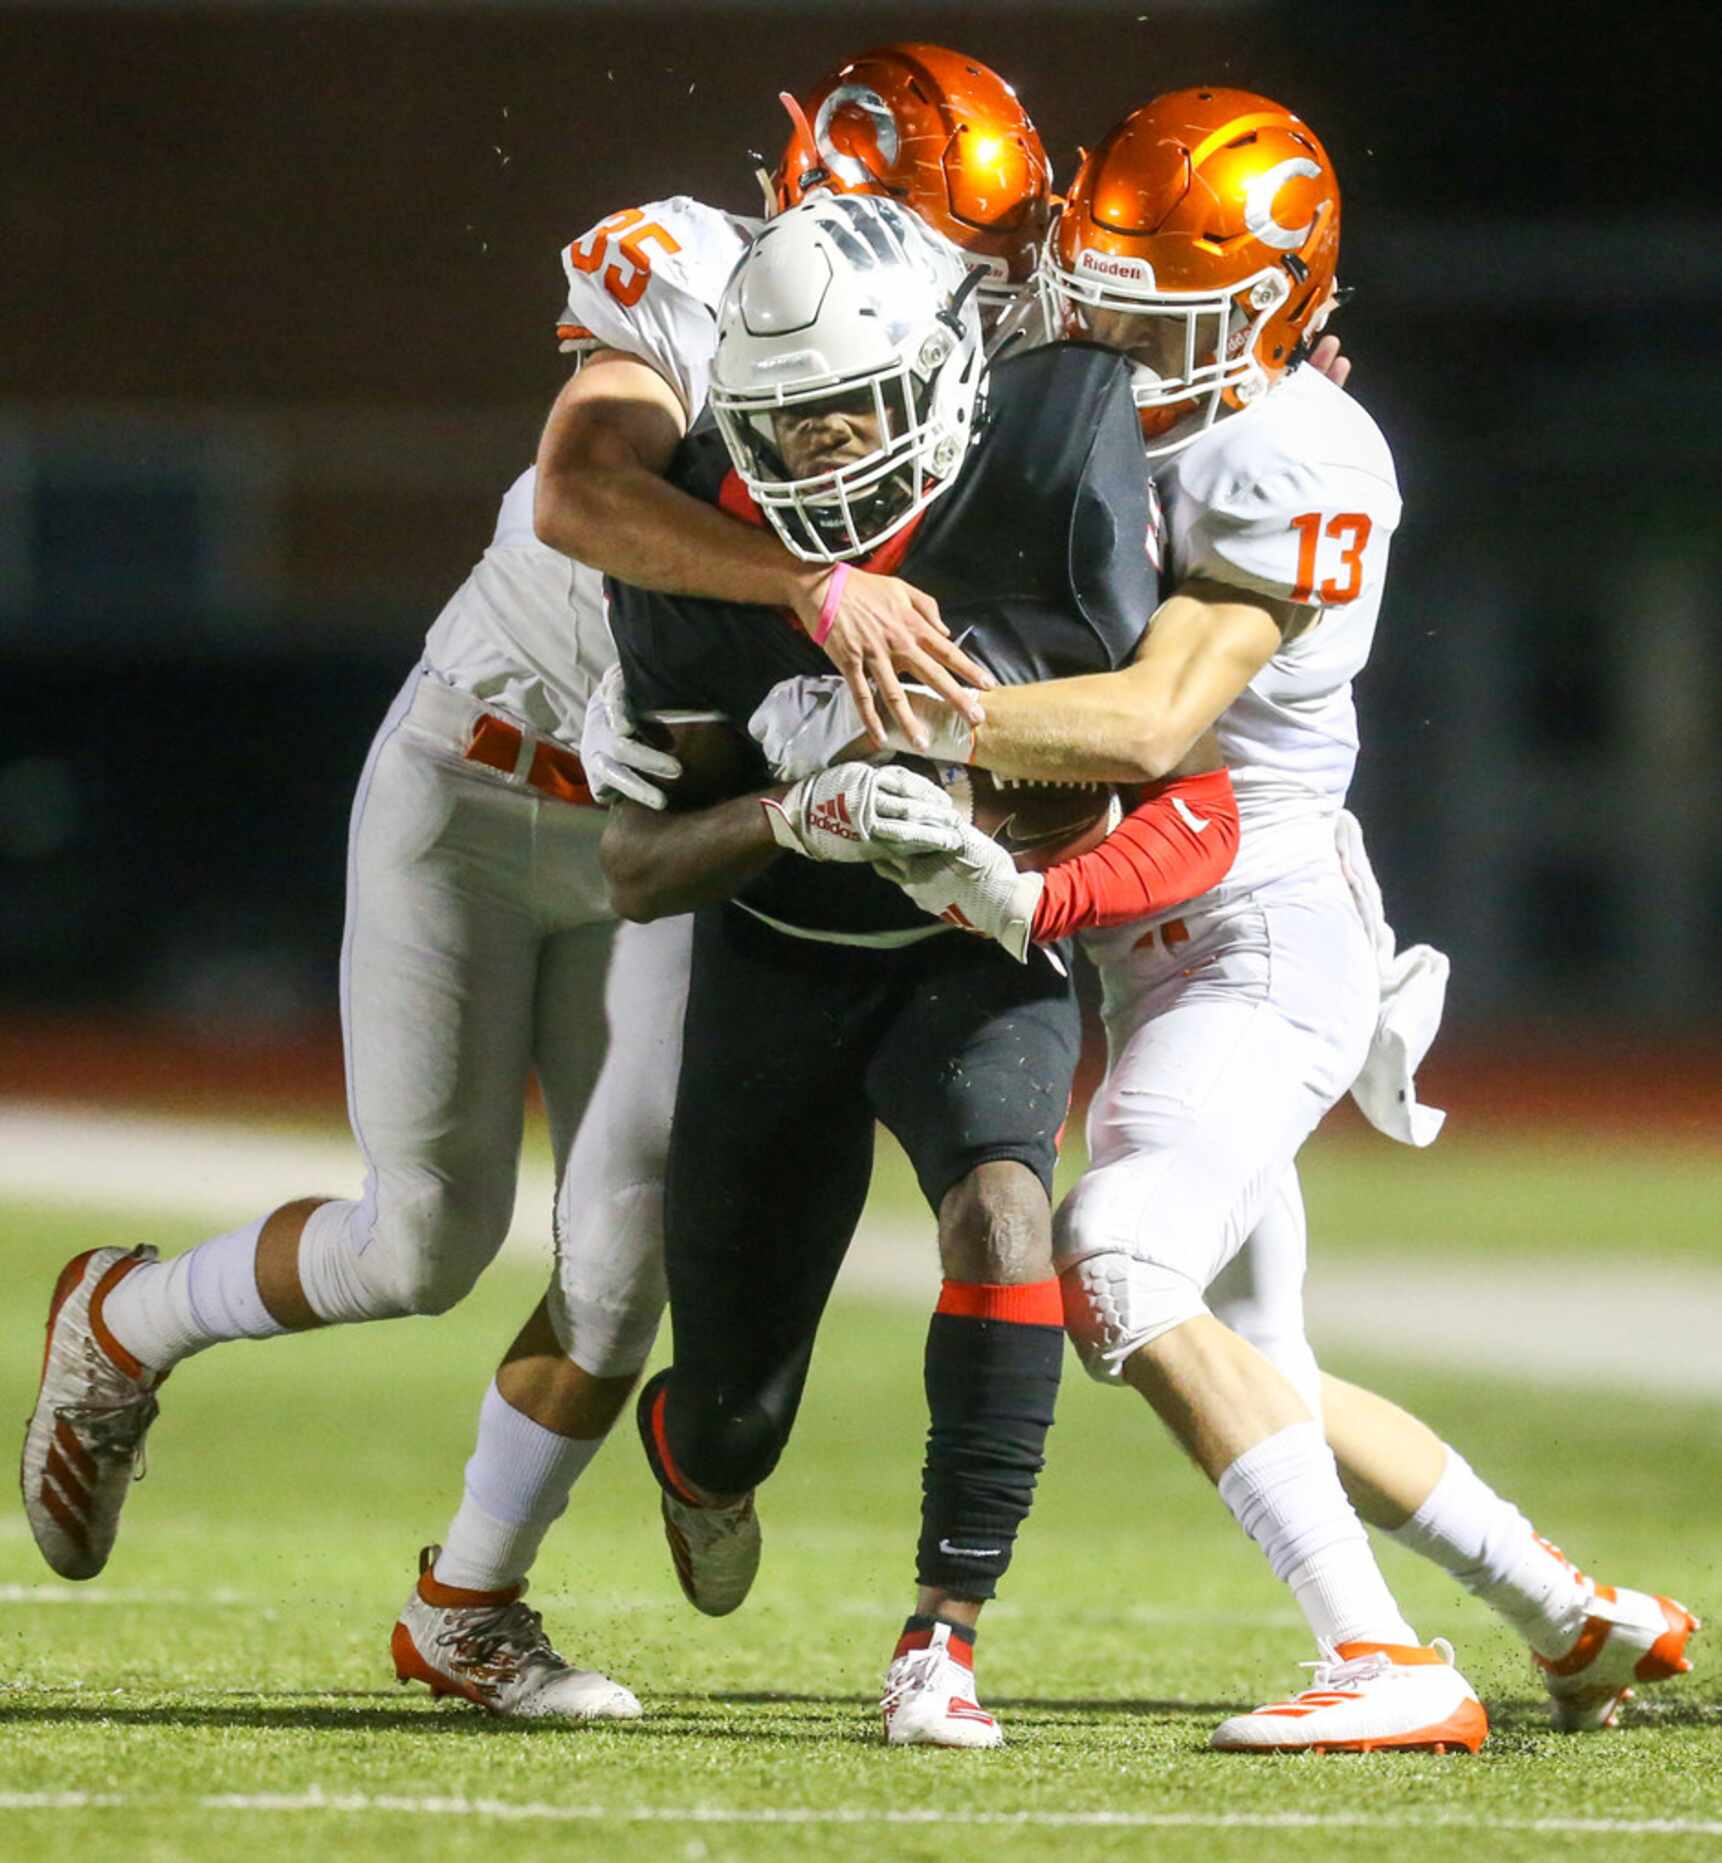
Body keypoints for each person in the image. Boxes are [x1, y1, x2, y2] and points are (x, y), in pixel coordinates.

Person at [18, 47, 1040, 1721]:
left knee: (622, 1246)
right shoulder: (691, 269)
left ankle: (465, 1606)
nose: (952, 300)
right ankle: (128, 1317)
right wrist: (813, 589)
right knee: (420, 1239)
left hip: (676, 829)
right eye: (940, 248)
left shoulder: (956, 353)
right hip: (488, 779)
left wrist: (1273, 389)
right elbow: (580, 490)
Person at [776, 86, 1700, 1746]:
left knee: (1116, 1265)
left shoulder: (1298, 445)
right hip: (1156, 933)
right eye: (1099, 292)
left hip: (1254, 925)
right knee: (1256, 1344)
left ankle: (1383, 1658)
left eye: (1160, 313)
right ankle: (1574, 1616)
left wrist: (898, 720)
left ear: (1269, 307)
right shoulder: (1108, 400)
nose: (1115, 337)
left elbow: (1138, 729)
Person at [598, 192, 1242, 1749]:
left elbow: (1178, 784)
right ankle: (694, 1458)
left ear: (947, 378)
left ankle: (941, 1634)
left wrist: (991, 829)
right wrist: (788, 808)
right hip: (779, 958)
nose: (815, 453)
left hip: (968, 949)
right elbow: (634, 868)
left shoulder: (1054, 444)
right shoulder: (695, 534)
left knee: (1005, 1204)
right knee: (731, 1418)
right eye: (782, 424)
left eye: (847, 413)